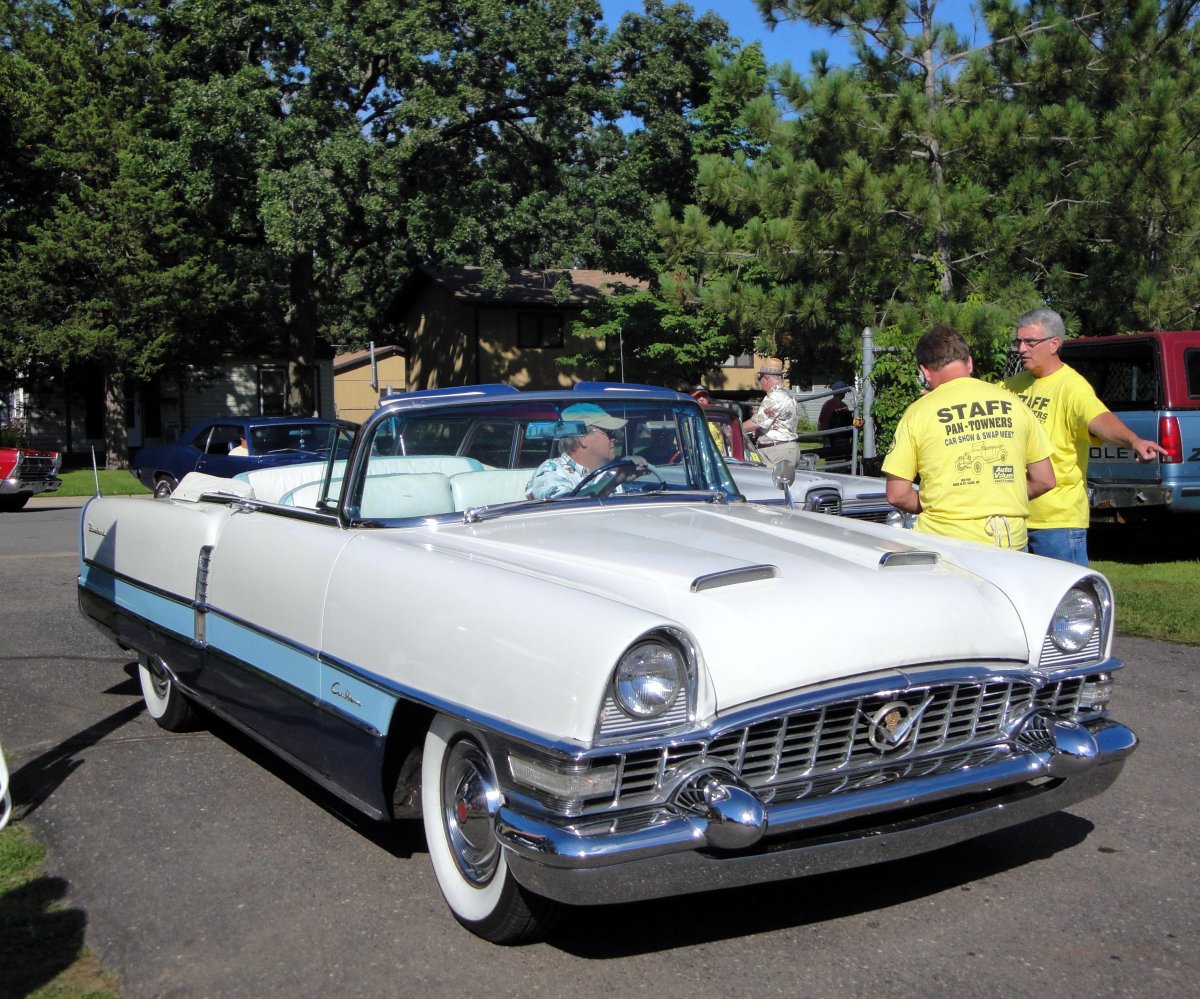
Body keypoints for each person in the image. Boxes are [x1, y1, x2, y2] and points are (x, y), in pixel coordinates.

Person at [1005, 307, 1168, 565]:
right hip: (1015, 517)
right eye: (1019, 341)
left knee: (1067, 603)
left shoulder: (1072, 386)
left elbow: (1100, 419)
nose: (1021, 349)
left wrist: (1133, 441)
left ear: (1054, 344)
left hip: (1057, 523)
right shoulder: (1013, 386)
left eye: (1030, 342)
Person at [883, 326, 1055, 550]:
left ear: (925, 371)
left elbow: (897, 494)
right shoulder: (1014, 403)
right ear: (969, 362)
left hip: (946, 543)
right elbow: (1045, 479)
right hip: (1010, 543)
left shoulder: (918, 412)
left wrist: (943, 503)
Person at [526, 403, 626, 500]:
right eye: (609, 433)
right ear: (584, 438)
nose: (614, 438)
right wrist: (613, 480)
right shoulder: (551, 471)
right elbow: (563, 506)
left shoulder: (608, 470)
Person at [743, 358, 800, 465]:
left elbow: (755, 424)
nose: (760, 381)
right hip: (790, 449)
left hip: (776, 452)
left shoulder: (774, 397)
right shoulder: (789, 396)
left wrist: (735, 427)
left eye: (760, 377)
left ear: (766, 379)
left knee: (766, 481)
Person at [817, 380, 854, 461]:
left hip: (827, 435)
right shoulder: (841, 405)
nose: (845, 393)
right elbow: (846, 423)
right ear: (841, 392)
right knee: (839, 459)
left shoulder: (827, 404)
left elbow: (820, 423)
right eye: (844, 391)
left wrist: (824, 436)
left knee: (830, 460)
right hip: (836, 438)